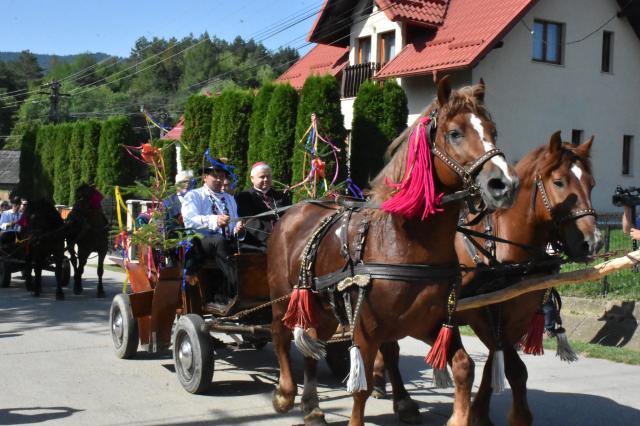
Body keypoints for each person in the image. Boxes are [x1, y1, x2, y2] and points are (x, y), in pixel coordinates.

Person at [181, 161, 244, 307]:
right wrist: (214, 220)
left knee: (248, 245)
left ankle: (254, 288)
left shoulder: (229, 198)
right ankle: (236, 290)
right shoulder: (194, 195)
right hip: (200, 241)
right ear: (204, 177)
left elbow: (233, 223)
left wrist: (238, 228)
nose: (218, 179)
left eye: (221, 176)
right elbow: (190, 221)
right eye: (214, 176)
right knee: (218, 241)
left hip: (225, 240)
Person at [235, 162, 291, 252]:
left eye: (268, 176)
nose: (266, 179)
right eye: (262, 177)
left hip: (283, 239)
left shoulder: (281, 196)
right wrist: (270, 239)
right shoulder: (244, 196)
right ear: (252, 179)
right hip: (259, 242)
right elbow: (250, 221)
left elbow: (289, 218)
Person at [163, 169, 194, 234]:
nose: (187, 185)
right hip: (175, 237)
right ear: (176, 184)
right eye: (183, 182)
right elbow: (162, 224)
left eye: (189, 182)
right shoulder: (168, 202)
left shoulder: (196, 200)